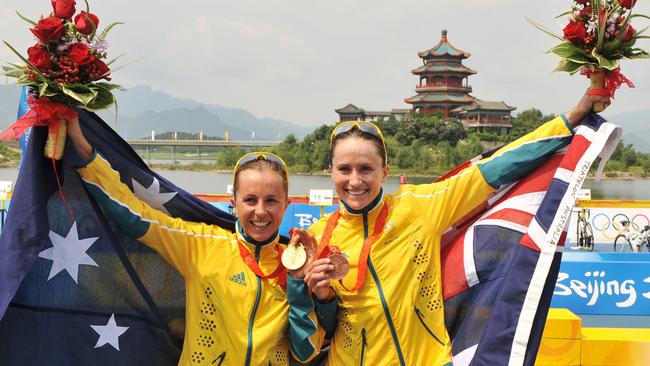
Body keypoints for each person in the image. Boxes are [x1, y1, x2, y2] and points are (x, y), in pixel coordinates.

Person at [302, 92, 610, 365]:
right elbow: (322, 330)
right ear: (330, 171)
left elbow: (495, 168)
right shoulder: (318, 237)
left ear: (386, 170)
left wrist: (572, 119)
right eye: (344, 169)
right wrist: (322, 297)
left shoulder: (420, 207)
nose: (355, 181)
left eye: (366, 168)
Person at [66, 117, 337, 365]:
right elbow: (135, 216)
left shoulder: (296, 264)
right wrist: (85, 153)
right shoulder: (202, 245)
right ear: (234, 204)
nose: (260, 211)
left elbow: (306, 353)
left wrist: (298, 285)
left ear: (287, 205)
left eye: (272, 201)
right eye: (250, 200)